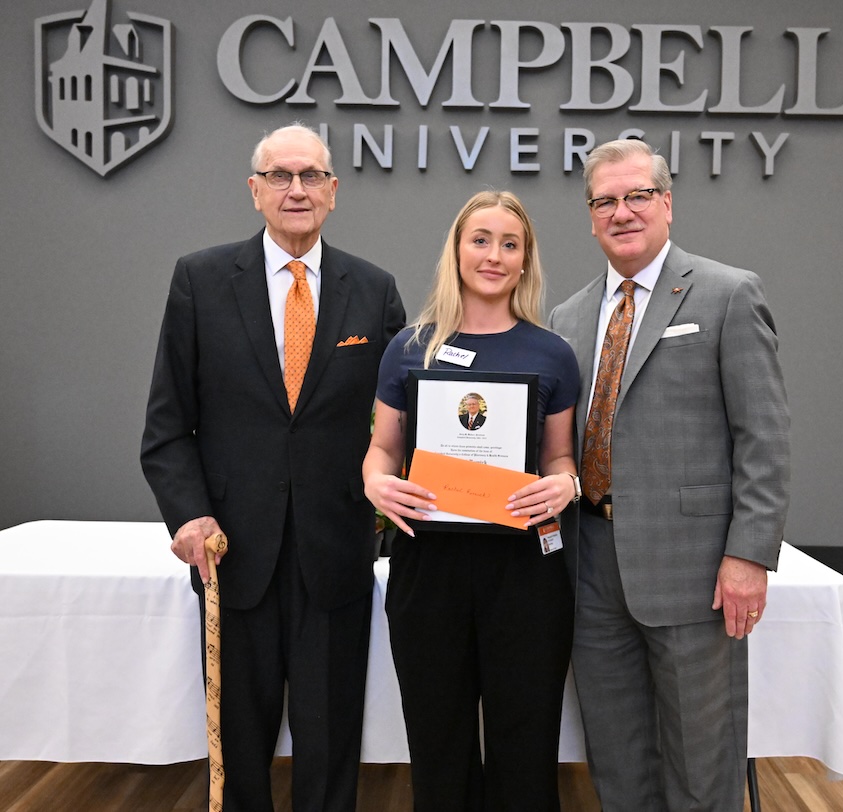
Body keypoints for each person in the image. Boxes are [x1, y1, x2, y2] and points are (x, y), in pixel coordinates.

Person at [140, 123, 405, 812]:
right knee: (240, 745)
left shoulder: (373, 293)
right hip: (231, 554)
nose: (297, 189)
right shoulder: (199, 280)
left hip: (335, 556)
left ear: (334, 192)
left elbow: (401, 426)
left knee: (329, 743)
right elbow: (168, 427)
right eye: (281, 176)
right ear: (254, 191)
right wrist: (190, 514)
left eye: (311, 175)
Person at [548, 139, 791, 811]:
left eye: (636, 196)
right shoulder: (567, 319)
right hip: (589, 565)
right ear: (591, 215)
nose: (621, 212)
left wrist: (748, 555)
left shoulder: (727, 294)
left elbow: (763, 438)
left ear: (666, 204)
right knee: (617, 753)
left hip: (694, 571)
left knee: (700, 758)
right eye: (605, 201)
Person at [363, 190, 581, 812]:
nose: (493, 255)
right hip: (426, 566)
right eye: (480, 240)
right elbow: (381, 451)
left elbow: (560, 458)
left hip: (525, 570)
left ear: (525, 260)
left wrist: (564, 485)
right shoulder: (409, 347)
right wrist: (376, 485)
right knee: (437, 737)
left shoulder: (552, 352)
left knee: (526, 737)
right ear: (456, 251)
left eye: (509, 244)